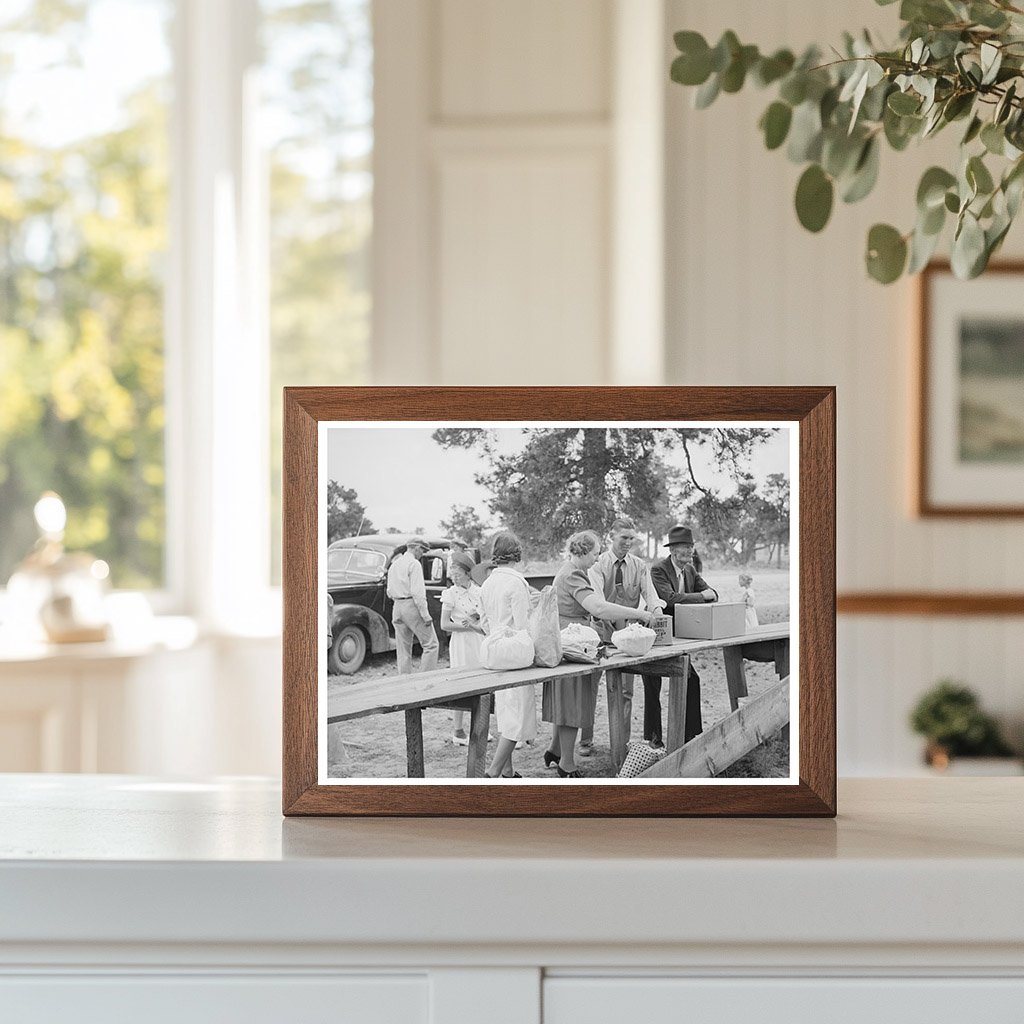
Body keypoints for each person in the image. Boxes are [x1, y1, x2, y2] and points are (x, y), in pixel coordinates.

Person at [545, 530, 656, 778]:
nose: (597, 559)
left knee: (566, 699)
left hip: (569, 637)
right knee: (574, 701)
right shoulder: (573, 573)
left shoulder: (570, 569)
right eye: (595, 553)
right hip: (572, 641)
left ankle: (555, 750)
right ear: (583, 551)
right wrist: (638, 613)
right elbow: (596, 606)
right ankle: (567, 763)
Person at [583, 518, 665, 754]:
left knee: (626, 692)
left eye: (632, 538)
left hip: (628, 637)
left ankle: (622, 743)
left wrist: (658, 614)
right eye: (624, 538)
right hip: (600, 634)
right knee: (590, 686)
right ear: (611, 536)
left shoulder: (639, 565)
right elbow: (597, 603)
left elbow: (651, 597)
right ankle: (585, 740)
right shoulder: (597, 565)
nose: (628, 543)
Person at [649, 524, 719, 746]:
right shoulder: (658, 570)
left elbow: (713, 593)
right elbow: (668, 598)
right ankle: (654, 737)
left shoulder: (690, 570)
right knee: (653, 685)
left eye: (691, 547)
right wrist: (701, 596)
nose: (690, 552)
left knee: (692, 679)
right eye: (685, 548)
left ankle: (691, 734)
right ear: (673, 550)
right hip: (657, 634)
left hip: (682, 634)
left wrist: (706, 594)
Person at [479, 531, 537, 779]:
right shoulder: (517, 582)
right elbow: (523, 624)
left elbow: (483, 621)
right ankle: (492, 773)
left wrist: (496, 632)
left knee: (505, 710)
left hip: (492, 650)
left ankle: (508, 771)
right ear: (518, 554)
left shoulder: (487, 583)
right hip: (514, 653)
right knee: (517, 716)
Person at [440, 550, 486, 745]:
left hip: (478, 640)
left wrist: (478, 621)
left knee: (481, 684)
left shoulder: (479, 591)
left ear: (468, 573)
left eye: (458, 573)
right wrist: (466, 627)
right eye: (452, 574)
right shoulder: (450, 594)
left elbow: (484, 615)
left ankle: (480, 729)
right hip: (461, 642)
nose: (454, 577)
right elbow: (444, 624)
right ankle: (458, 731)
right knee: (461, 684)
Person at [386, 537, 439, 675]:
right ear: (416, 548)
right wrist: (425, 614)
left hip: (397, 606)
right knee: (431, 645)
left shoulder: (394, 564)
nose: (423, 553)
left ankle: (404, 680)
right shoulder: (414, 564)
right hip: (411, 605)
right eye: (422, 550)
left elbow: (389, 591)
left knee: (403, 648)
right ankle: (425, 678)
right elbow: (418, 593)